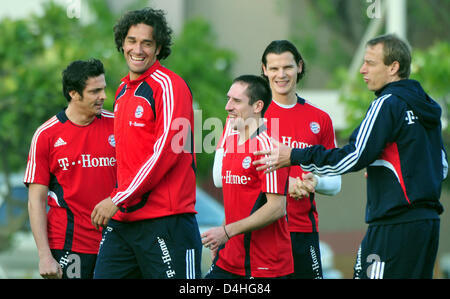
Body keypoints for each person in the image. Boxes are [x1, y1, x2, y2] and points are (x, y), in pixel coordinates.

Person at [253, 34, 447, 279]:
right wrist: (386, 166)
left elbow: (352, 156)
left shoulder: (387, 103)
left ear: (393, 67)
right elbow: (441, 167)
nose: (362, 70)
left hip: (393, 224)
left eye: (370, 63)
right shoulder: (427, 106)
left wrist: (293, 155)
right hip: (428, 224)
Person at [91, 8, 201, 279]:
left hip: (166, 221)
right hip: (124, 222)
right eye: (131, 41)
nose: (137, 49)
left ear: (158, 47)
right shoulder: (121, 91)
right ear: (122, 43)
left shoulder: (169, 86)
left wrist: (117, 198)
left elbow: (165, 153)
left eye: (146, 43)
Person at [24, 59, 116, 279]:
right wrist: (44, 255)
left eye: (103, 89)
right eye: (95, 91)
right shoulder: (46, 135)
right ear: (74, 93)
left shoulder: (118, 125)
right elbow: (35, 200)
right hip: (68, 246)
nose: (103, 96)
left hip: (116, 244)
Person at [261, 40, 341, 279]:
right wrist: (286, 186)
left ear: (299, 66)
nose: (281, 74)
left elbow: (335, 182)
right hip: (262, 230)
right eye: (274, 68)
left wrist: (314, 182)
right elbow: (232, 176)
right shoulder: (252, 115)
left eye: (287, 67)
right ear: (264, 70)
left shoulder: (321, 119)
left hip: (303, 232)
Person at [202, 75, 293, 279]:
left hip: (264, 266)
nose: (228, 106)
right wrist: (223, 237)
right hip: (229, 260)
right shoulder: (232, 144)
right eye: (228, 99)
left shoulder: (268, 148)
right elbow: (238, 201)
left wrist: (226, 232)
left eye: (237, 101)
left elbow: (277, 208)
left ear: (258, 106)